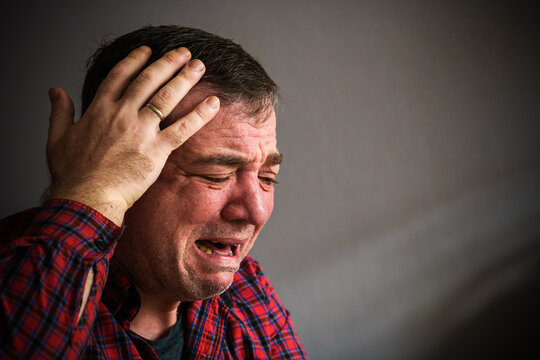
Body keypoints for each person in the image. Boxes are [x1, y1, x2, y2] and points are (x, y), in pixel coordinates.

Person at [0, 25, 307, 359]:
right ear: (111, 162)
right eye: (216, 174)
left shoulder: (249, 291)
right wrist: (91, 191)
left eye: (267, 177)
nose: (256, 210)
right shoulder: (13, 274)